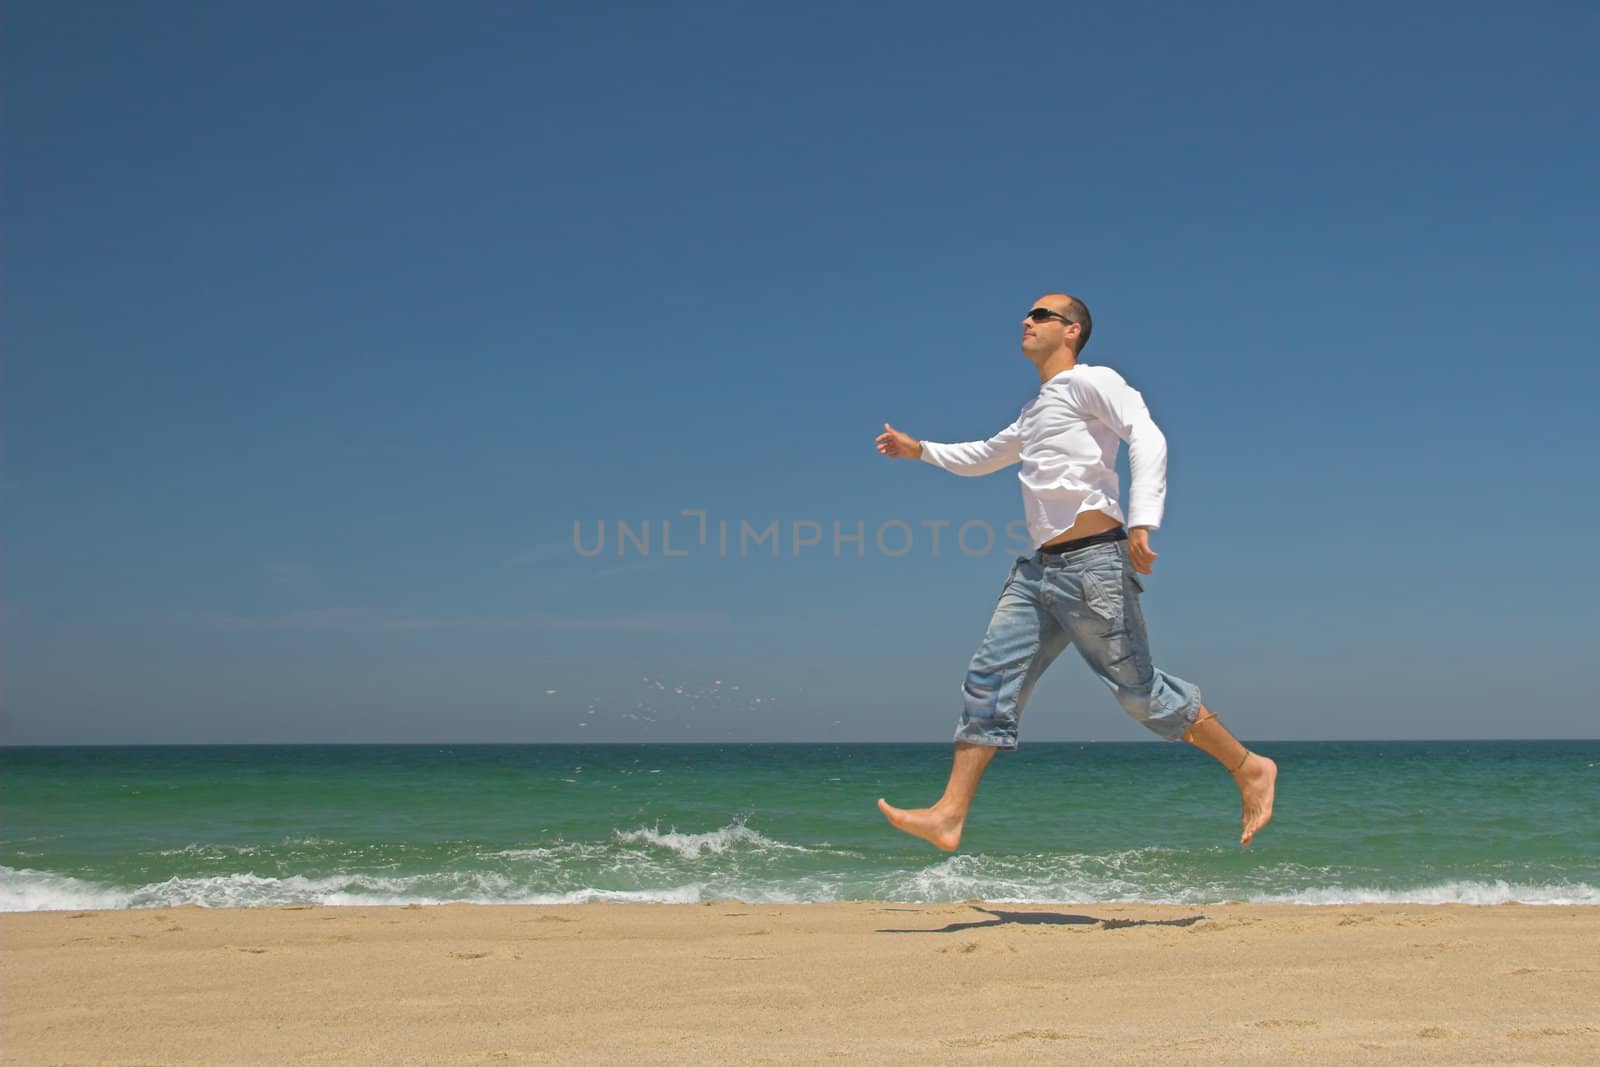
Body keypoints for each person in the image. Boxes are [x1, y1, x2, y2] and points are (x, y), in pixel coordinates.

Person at [873, 293, 1277, 849]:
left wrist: (1142, 520)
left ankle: (1249, 766)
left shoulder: (1092, 381)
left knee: (1140, 696)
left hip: (1094, 564)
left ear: (1072, 331)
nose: (1027, 320)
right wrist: (920, 451)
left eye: (1041, 315)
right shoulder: (1035, 410)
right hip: (1040, 573)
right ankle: (949, 814)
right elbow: (986, 454)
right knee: (989, 679)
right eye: (1027, 313)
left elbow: (1146, 434)